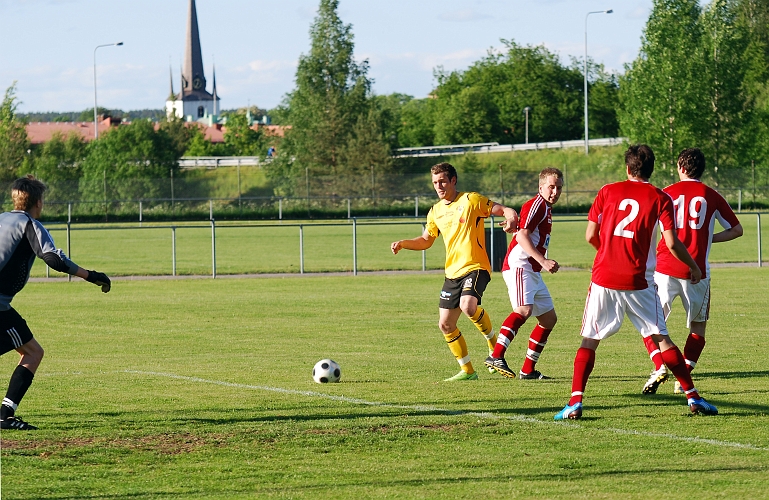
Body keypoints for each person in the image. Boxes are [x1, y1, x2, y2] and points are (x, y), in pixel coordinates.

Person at [554, 145, 718, 420]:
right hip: (638, 280)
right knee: (662, 338)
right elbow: (671, 243)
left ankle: (575, 403)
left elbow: (590, 235)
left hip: (604, 277)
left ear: (628, 168)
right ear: (651, 170)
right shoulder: (660, 197)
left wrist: (608, 255)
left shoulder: (607, 191)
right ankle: (693, 398)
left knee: (589, 340)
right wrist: (693, 266)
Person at [0, 175, 111, 430]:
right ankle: (4, 416)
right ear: (38, 202)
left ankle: (5, 414)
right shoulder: (30, 225)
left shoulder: (2, 218)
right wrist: (92, 276)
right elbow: (54, 259)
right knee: (33, 352)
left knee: (31, 350)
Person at [391, 162, 518, 381]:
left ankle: (493, 346)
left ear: (453, 180)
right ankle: (468, 371)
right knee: (445, 324)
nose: (438, 186)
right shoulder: (435, 211)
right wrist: (404, 243)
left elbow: (503, 209)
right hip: (452, 273)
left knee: (468, 306)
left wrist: (511, 217)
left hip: (476, 267)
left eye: (442, 181)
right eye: (435, 182)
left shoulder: (471, 200)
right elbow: (426, 240)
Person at [641, 148, 742, 395]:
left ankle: (659, 366)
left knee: (650, 323)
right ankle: (683, 375)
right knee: (698, 327)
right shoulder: (711, 195)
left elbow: (649, 227)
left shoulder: (665, 192)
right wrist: (708, 238)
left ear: (681, 167)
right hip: (697, 272)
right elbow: (737, 230)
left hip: (664, 268)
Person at [485, 167, 563, 380]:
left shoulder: (545, 208)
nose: (555, 192)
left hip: (532, 269)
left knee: (549, 319)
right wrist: (543, 261)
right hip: (520, 265)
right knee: (523, 310)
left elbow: (524, 230)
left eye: (559, 188)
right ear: (541, 187)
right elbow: (521, 236)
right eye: (551, 187)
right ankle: (496, 356)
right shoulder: (537, 204)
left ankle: (528, 370)